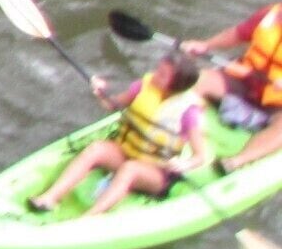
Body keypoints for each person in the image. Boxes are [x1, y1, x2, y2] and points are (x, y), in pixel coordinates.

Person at [26, 53, 210, 216]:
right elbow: (111, 105)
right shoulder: (143, 87)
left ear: (176, 85)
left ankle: (89, 218)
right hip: (124, 153)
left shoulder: (189, 112)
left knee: (130, 169)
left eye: (162, 75)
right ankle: (50, 198)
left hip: (155, 173)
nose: (155, 75)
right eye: (158, 70)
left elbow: (200, 156)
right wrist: (100, 91)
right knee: (96, 149)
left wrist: (183, 164)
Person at [185, 2, 282, 171]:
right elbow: (237, 34)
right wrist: (206, 45)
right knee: (198, 80)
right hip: (243, 82)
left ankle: (237, 162)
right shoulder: (272, 13)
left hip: (277, 104)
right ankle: (179, 132)